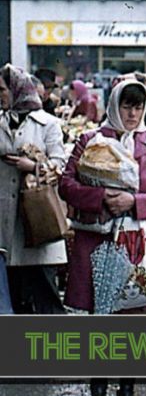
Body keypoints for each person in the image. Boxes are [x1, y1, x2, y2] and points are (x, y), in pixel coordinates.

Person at [59, 79, 146, 396]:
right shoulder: (90, 141)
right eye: (126, 106)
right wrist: (102, 199)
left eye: (138, 107)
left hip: (136, 243)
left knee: (132, 318)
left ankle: (127, 388)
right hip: (96, 239)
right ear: (115, 105)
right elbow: (66, 184)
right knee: (102, 311)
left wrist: (133, 202)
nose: (132, 113)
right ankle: (99, 368)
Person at [0, 64, 67, 314]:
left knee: (46, 294)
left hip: (38, 221)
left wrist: (33, 166)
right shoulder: (1, 121)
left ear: (18, 90)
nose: (0, 95)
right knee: (14, 298)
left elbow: (60, 166)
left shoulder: (48, 124)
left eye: (3, 89)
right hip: (6, 223)